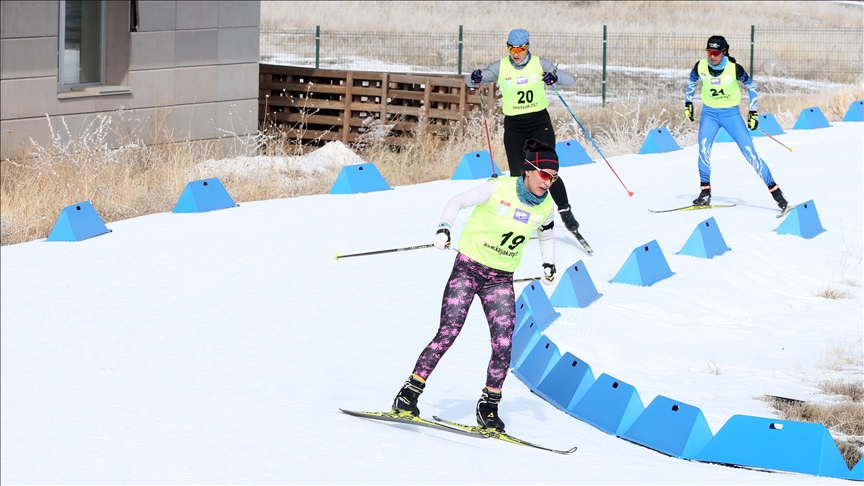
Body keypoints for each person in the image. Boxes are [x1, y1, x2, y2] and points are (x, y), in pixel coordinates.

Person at [391, 139, 560, 432]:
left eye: (554, 178)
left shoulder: (547, 207)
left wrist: (549, 263)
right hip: (468, 271)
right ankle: (408, 393)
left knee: (504, 344)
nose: (549, 183)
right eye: (545, 175)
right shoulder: (499, 188)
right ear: (529, 170)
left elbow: (546, 233)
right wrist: (444, 228)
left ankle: (489, 407)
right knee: (448, 332)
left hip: (500, 280)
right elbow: (456, 201)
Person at [466, 28, 583, 234]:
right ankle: (523, 217)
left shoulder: (539, 63)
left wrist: (553, 78)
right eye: (512, 48)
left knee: (546, 170)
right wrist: (474, 76)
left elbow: (569, 80)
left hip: (539, 122)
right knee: (519, 175)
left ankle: (565, 211)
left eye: (521, 48)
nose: (516, 53)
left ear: (528, 47)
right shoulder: (501, 67)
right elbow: (471, 80)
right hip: (514, 127)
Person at [685, 35, 788, 211]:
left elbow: (752, 87)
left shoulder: (734, 69)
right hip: (709, 114)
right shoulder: (701, 66)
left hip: (731, 115)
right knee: (703, 150)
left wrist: (753, 112)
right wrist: (688, 103)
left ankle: (777, 194)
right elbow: (692, 81)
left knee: (750, 154)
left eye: (715, 52)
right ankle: (705, 193)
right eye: (709, 51)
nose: (712, 56)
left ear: (724, 52)